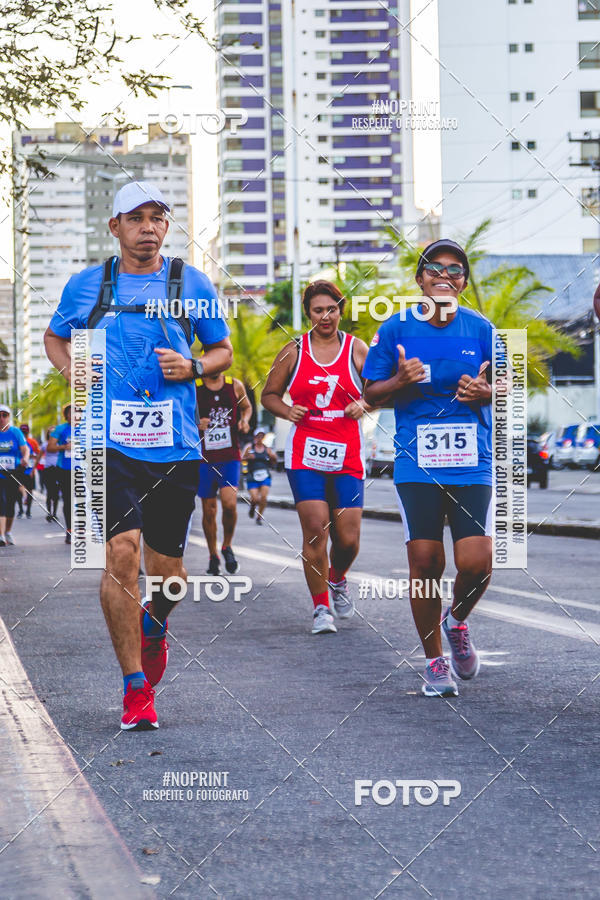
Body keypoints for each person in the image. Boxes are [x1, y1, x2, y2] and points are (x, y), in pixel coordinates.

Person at [44, 180, 233, 731]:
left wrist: (194, 367)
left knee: (170, 576)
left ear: (166, 227)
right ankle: (134, 687)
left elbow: (220, 349)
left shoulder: (190, 282)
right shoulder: (87, 286)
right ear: (116, 227)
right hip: (108, 441)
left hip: (173, 445)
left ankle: (155, 624)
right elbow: (57, 338)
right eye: (136, 218)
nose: (148, 227)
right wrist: (69, 369)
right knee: (121, 551)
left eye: (157, 218)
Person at [363, 239, 494, 698]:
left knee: (476, 563)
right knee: (425, 561)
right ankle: (434, 661)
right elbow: (370, 395)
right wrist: (399, 380)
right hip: (417, 463)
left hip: (470, 460)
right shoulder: (395, 328)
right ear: (419, 279)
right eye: (434, 268)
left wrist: (487, 394)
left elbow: (509, 388)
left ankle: (456, 623)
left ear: (463, 281)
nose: (445, 275)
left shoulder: (481, 329)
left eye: (455, 269)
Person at [261, 280, 370, 635]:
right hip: (305, 452)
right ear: (308, 313)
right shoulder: (293, 350)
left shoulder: (357, 349)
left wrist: (365, 404)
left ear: (341, 310)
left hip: (348, 453)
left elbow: (381, 391)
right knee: (314, 531)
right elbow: (269, 395)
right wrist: (286, 410)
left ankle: (337, 578)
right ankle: (321, 607)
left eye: (332, 309)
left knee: (349, 539)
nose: (326, 316)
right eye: (318, 310)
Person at [195, 371, 251, 574]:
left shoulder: (234, 384)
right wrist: (195, 423)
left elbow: (247, 407)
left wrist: (245, 420)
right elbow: (181, 412)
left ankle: (227, 545)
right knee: (209, 510)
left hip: (230, 456)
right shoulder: (195, 386)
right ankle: (213, 555)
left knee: (229, 504)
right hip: (204, 458)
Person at [0, 405, 29, 546]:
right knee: (1, 502)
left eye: (4, 415)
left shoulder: (16, 432)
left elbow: (25, 449)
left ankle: (7, 532)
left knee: (11, 504)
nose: (1, 418)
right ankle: (1, 536)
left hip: (13, 473)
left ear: (8, 417)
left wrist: (25, 458)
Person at [47, 405, 72, 543]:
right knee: (68, 500)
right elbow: (50, 447)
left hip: (84, 469)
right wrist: (64, 447)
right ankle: (70, 531)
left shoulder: (87, 427)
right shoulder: (60, 429)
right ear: (66, 415)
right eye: (71, 413)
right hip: (65, 469)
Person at [242, 428, 277, 525]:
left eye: (262, 436)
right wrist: (248, 457)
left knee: (264, 497)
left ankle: (259, 517)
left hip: (265, 476)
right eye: (258, 436)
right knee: (255, 498)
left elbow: (274, 462)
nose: (260, 438)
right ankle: (252, 507)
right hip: (252, 476)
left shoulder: (267, 449)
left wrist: (273, 458)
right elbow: (241, 458)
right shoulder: (250, 447)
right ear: (255, 437)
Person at [16, 423, 40, 519]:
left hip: (29, 469)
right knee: (17, 489)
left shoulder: (32, 442)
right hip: (18, 469)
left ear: (28, 432)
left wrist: (34, 469)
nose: (24, 434)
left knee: (30, 490)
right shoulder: (17, 441)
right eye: (22, 432)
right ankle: (21, 510)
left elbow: (38, 455)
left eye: (25, 433)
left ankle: (28, 511)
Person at [40, 428, 60, 522]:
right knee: (49, 492)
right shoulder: (45, 445)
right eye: (50, 432)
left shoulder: (59, 444)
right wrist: (32, 470)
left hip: (57, 470)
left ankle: (55, 513)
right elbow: (39, 457)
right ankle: (49, 513)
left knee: (56, 494)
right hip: (48, 470)